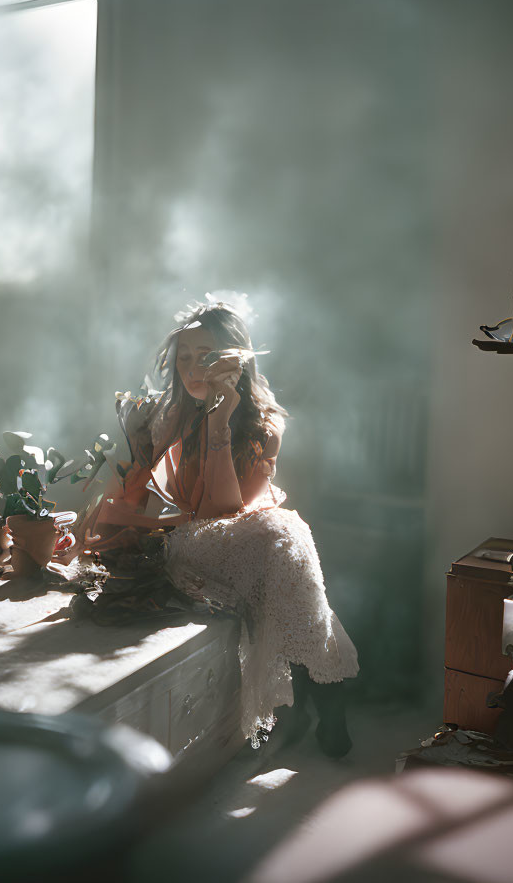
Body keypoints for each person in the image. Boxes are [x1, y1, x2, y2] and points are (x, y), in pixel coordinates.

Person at [81, 299, 359, 757]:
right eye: (184, 357)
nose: (193, 368)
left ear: (233, 359)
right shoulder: (165, 417)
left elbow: (229, 510)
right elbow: (144, 499)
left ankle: (309, 690)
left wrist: (221, 422)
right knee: (281, 537)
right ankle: (322, 688)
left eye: (206, 356)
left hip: (236, 538)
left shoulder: (264, 424)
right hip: (180, 543)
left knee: (282, 537)